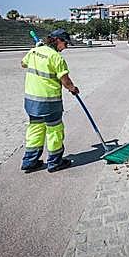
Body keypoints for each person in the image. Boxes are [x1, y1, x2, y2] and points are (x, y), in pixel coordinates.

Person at [20, 29, 79, 173]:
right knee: (55, 132)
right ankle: (55, 162)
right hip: (49, 103)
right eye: (65, 43)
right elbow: (65, 80)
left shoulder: (34, 51)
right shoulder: (56, 57)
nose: (66, 47)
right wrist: (73, 89)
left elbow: (23, 64)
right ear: (58, 40)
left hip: (31, 101)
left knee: (35, 129)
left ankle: (30, 162)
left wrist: (37, 50)